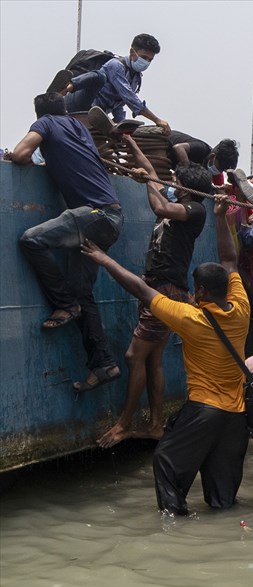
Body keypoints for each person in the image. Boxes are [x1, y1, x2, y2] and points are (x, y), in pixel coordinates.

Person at [80, 194, 249, 515]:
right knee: (222, 496)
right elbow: (230, 260)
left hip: (204, 411)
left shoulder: (191, 317)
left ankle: (176, 529)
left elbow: (142, 289)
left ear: (199, 292)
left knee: (166, 463)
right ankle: (223, 542)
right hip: (237, 418)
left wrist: (104, 259)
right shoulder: (241, 307)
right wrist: (220, 217)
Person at [96, 135, 213, 448]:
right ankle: (156, 425)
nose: (173, 183)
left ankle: (124, 424)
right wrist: (131, 146)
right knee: (153, 360)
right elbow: (150, 172)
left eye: (177, 181)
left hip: (166, 289)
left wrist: (147, 182)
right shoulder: (180, 201)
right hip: (160, 286)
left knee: (135, 356)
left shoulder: (194, 210)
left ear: (189, 188)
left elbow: (159, 203)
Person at [12, 93, 125, 392]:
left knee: (31, 241)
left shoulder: (46, 123)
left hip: (93, 215)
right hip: (110, 218)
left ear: (40, 115)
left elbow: (22, 154)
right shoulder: (80, 128)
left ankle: (64, 305)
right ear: (65, 110)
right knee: (83, 293)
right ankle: (103, 363)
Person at [58, 34, 170, 134]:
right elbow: (130, 98)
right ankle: (67, 86)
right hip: (79, 101)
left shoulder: (135, 78)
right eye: (144, 57)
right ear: (132, 52)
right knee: (99, 77)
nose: (146, 62)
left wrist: (122, 123)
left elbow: (119, 103)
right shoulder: (116, 65)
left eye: (150, 60)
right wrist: (157, 120)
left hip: (96, 112)